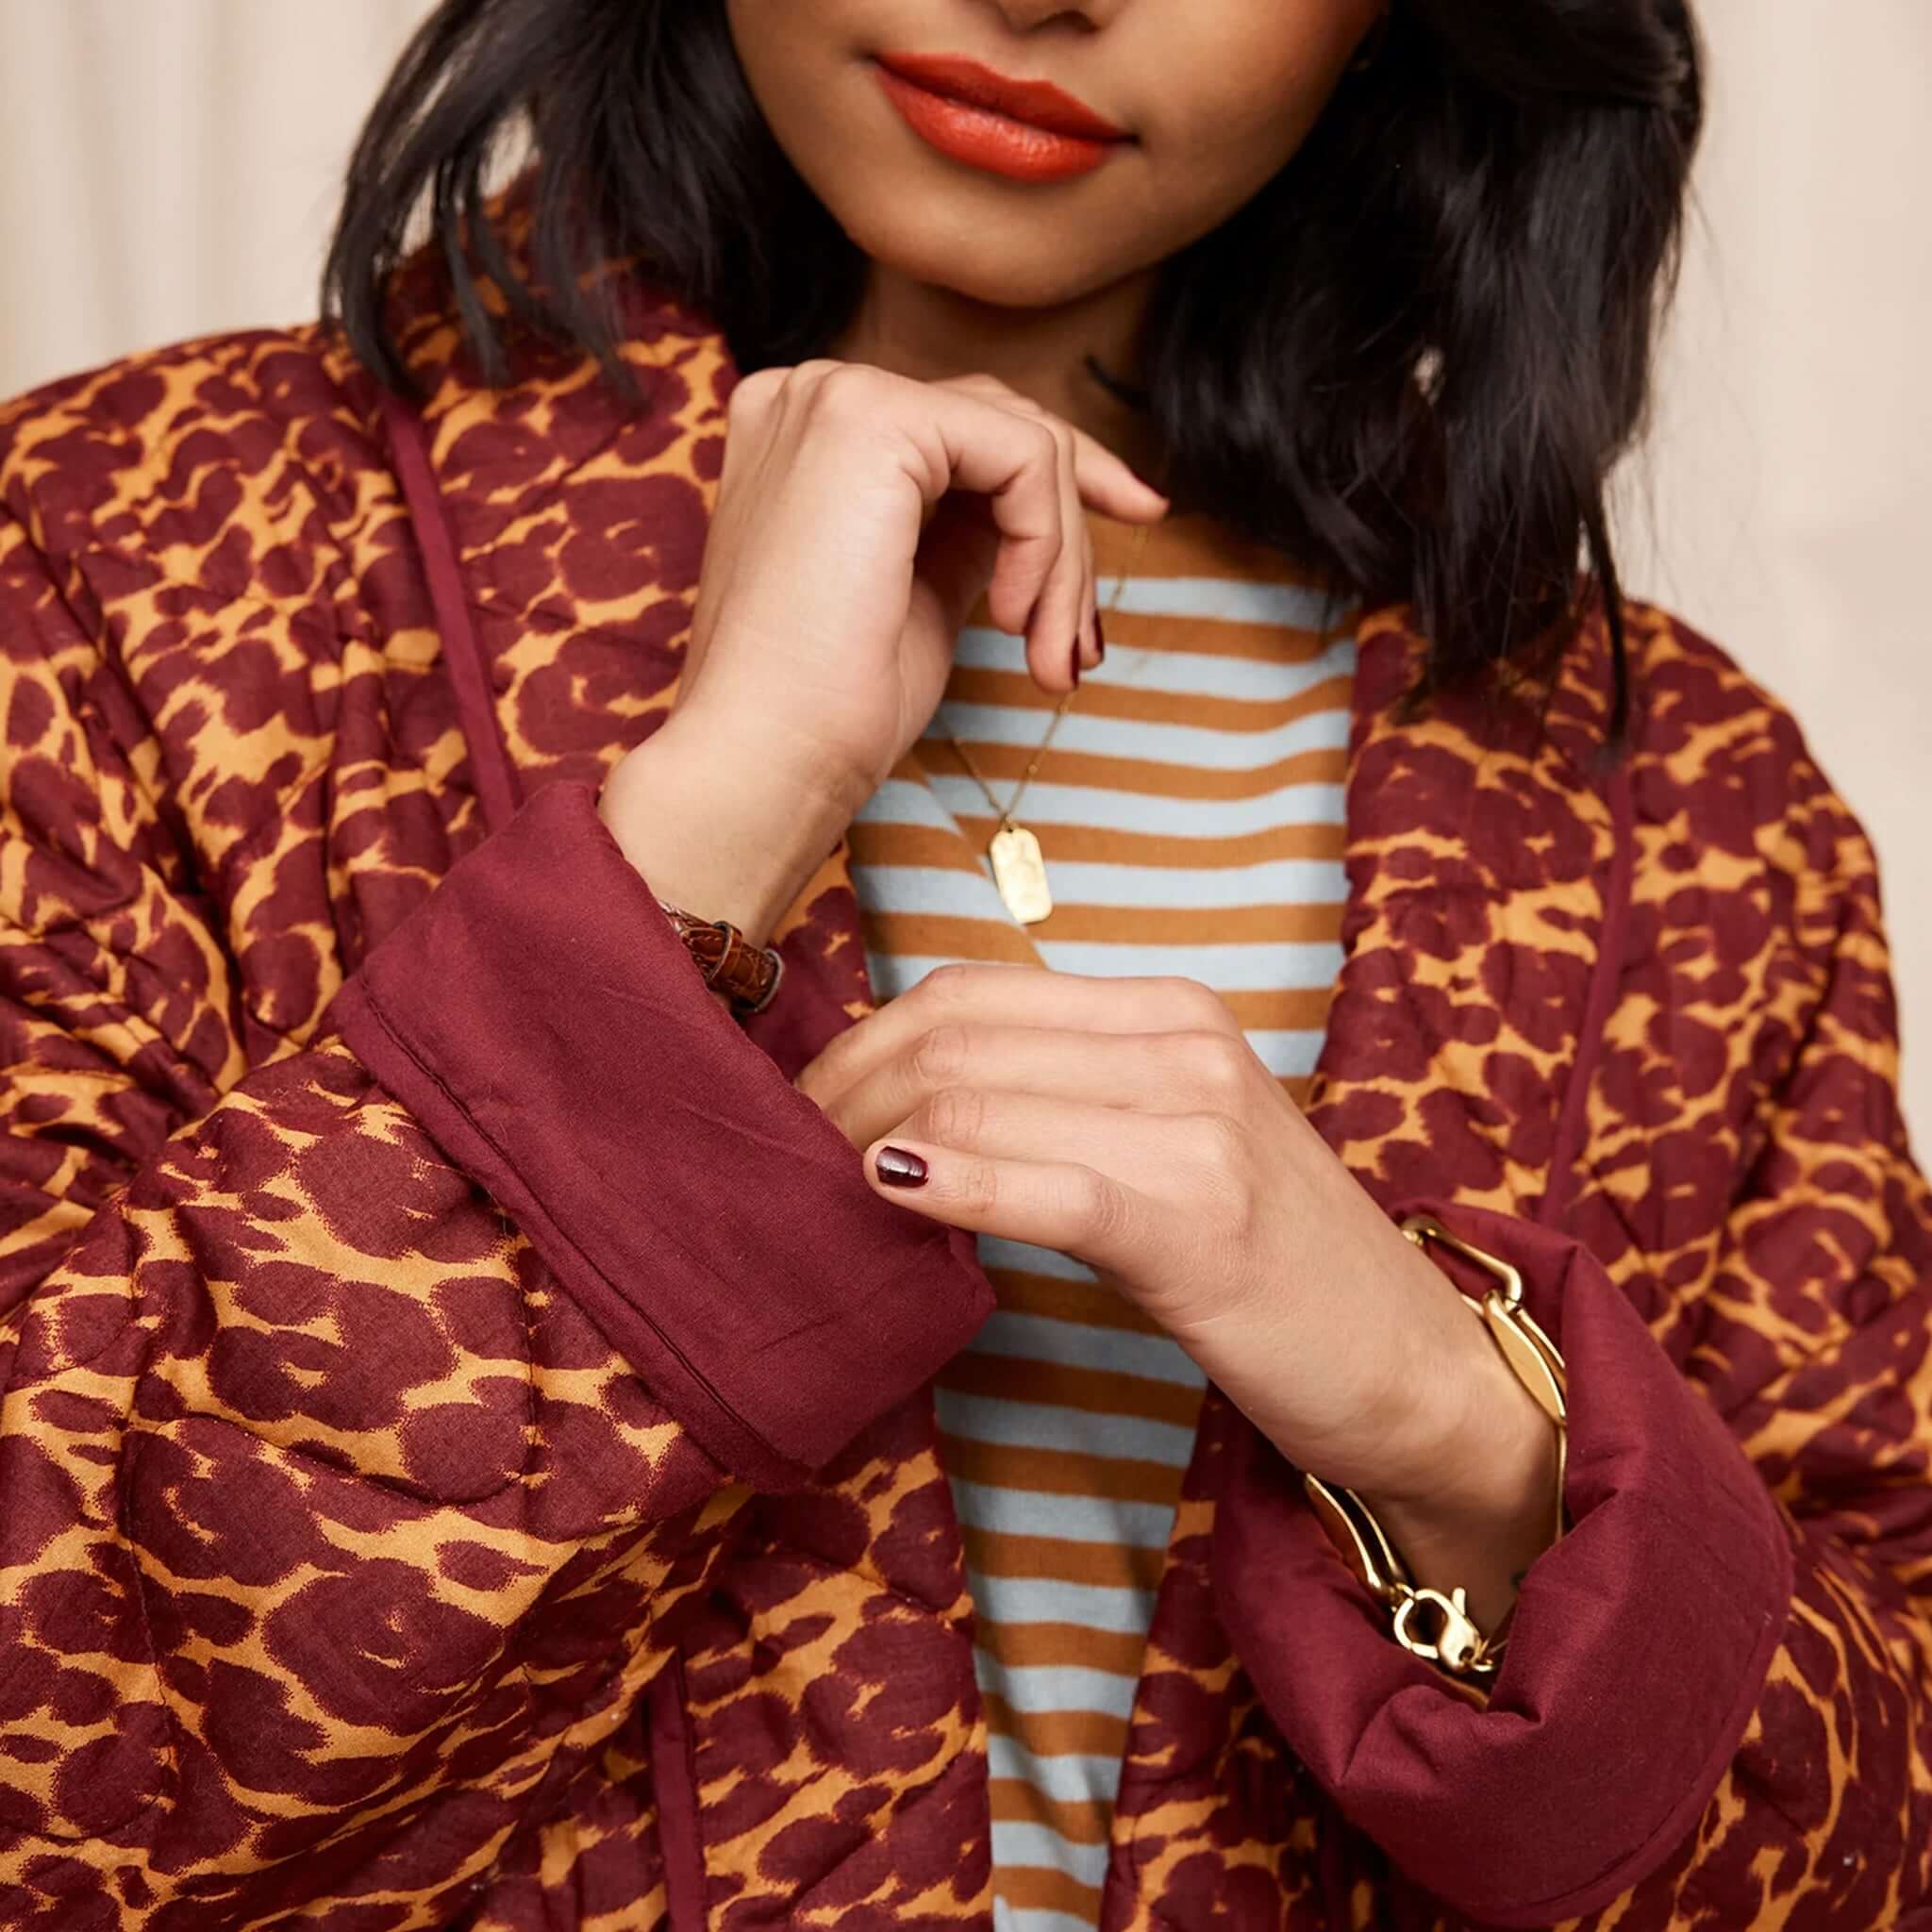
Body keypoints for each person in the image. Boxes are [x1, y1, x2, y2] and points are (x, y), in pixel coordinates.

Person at [0, 0, 1924, 1925]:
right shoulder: (144, 551)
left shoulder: (1674, 798)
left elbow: (1871, 1842)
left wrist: (1451, 1423)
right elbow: (50, 1748)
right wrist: (711, 825)